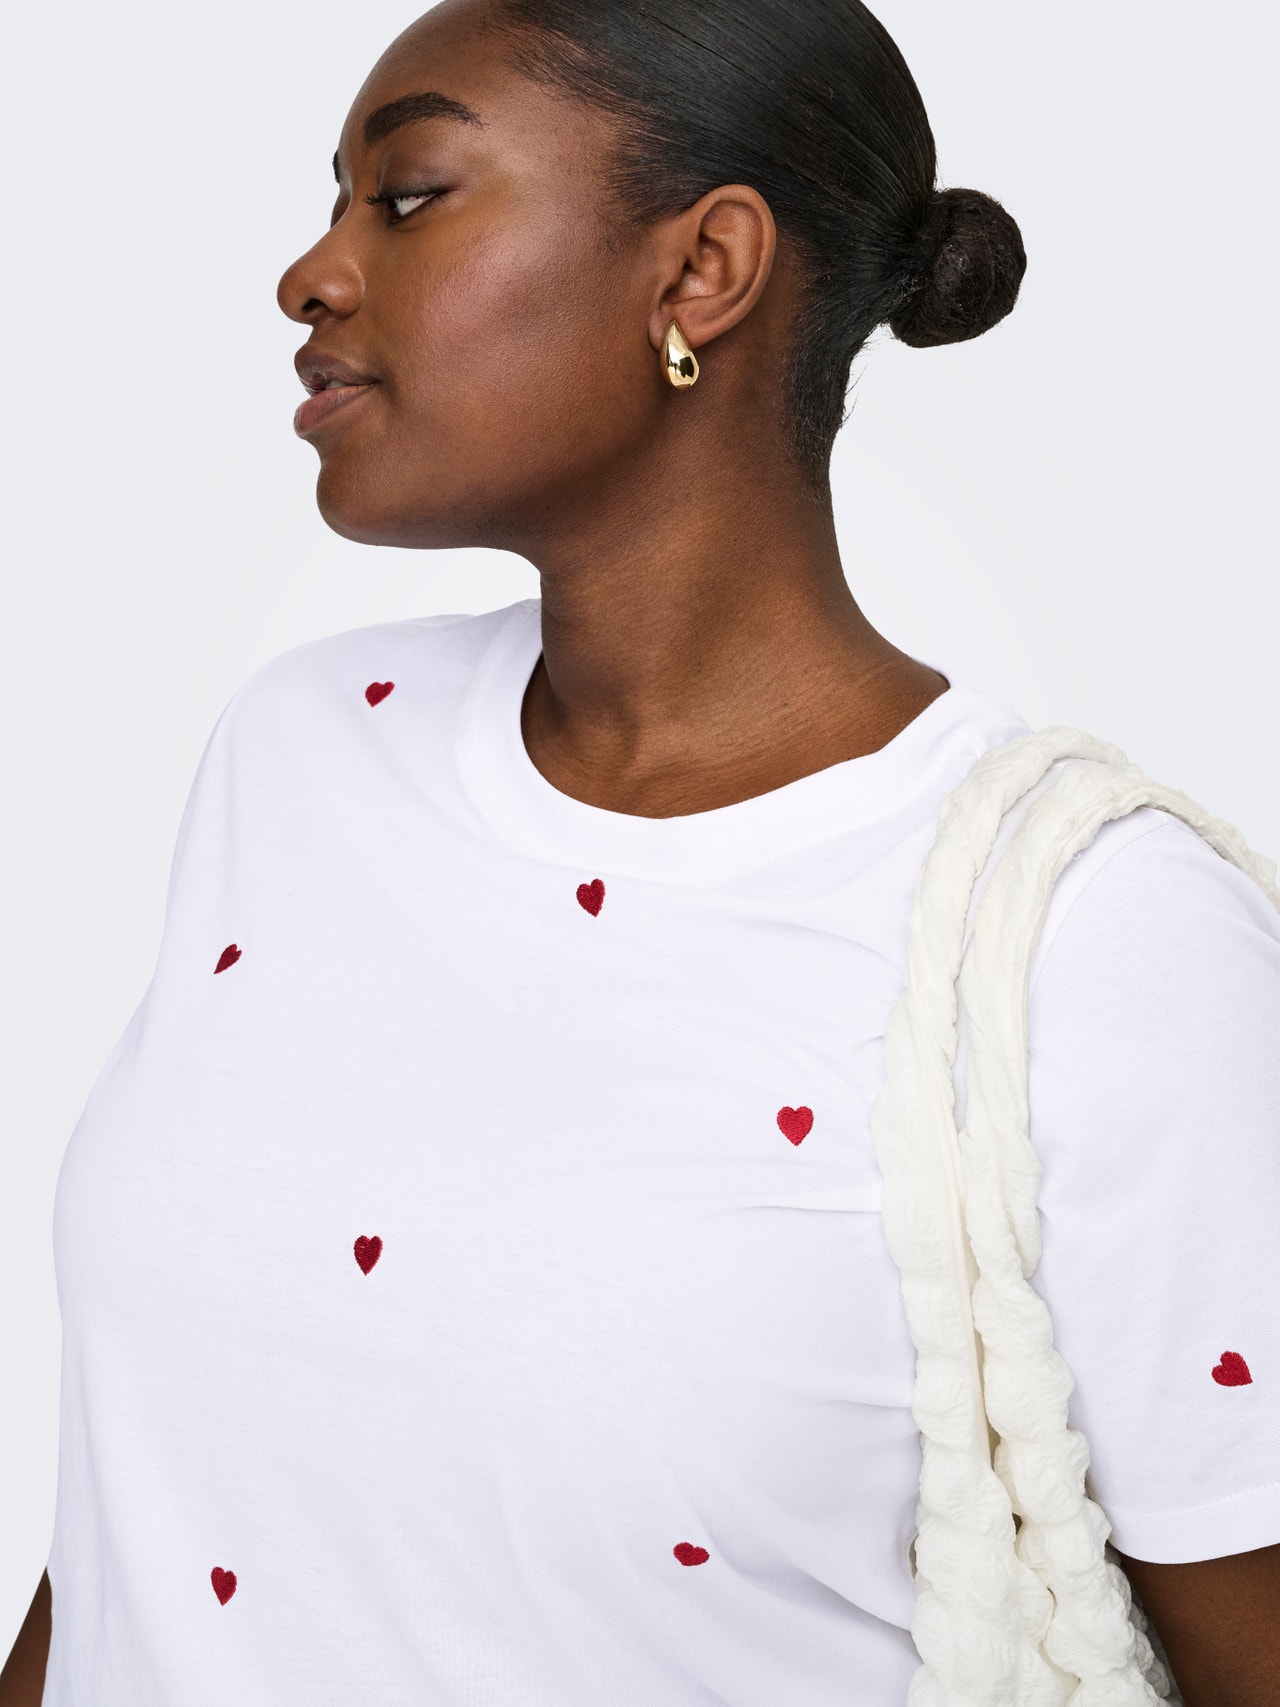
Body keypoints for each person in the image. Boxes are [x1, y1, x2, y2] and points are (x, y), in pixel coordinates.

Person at [3, 0, 1279, 1701]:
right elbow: (151, 1525)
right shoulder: (300, 749)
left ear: (701, 271)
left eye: (408, 197)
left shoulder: (1084, 931)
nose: (311, 276)